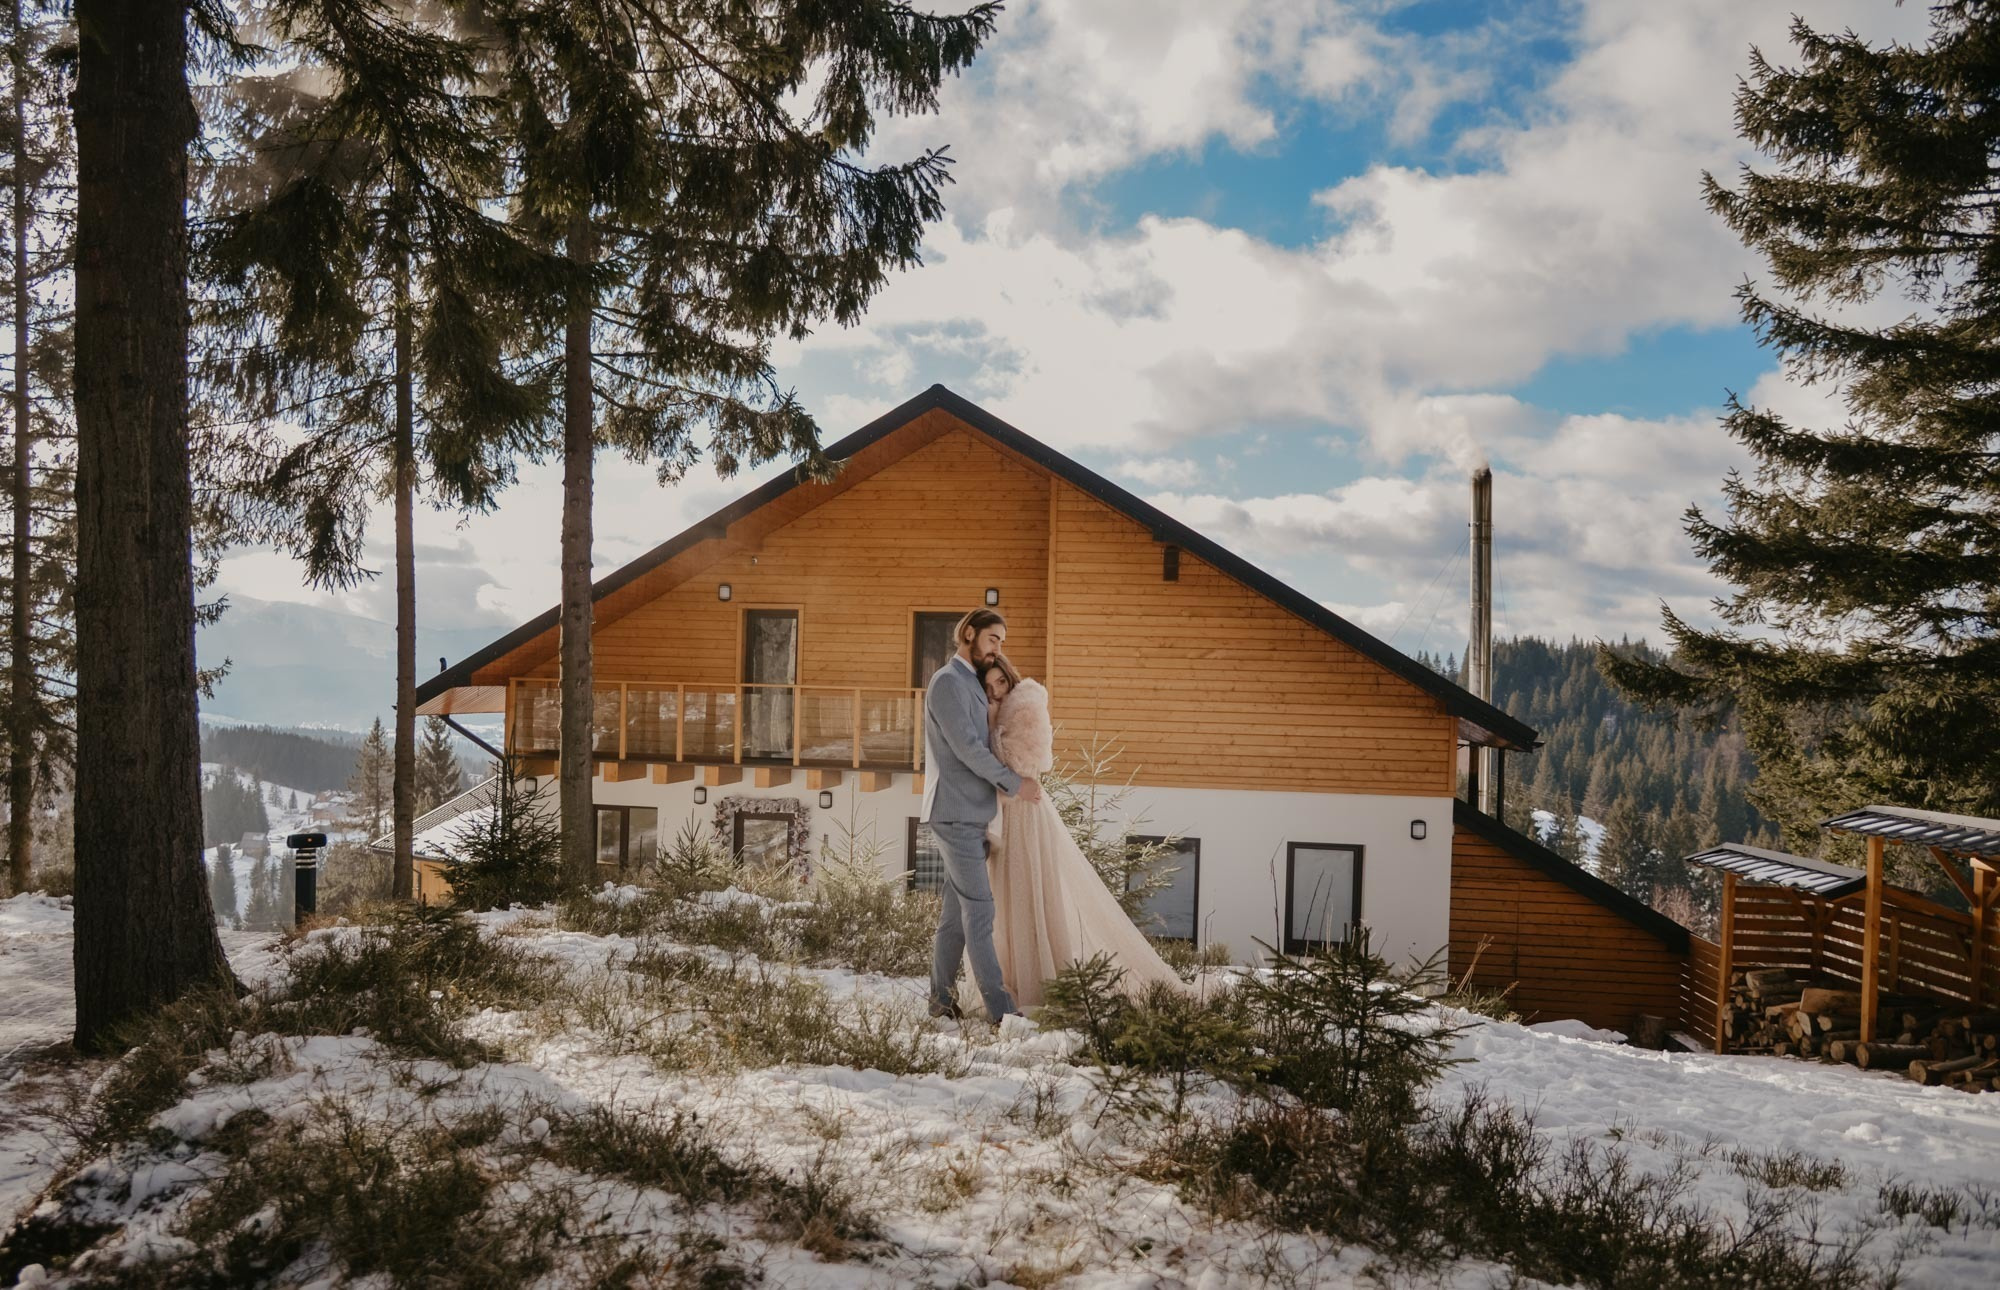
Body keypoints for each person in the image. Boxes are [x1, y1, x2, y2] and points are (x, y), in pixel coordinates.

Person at [977, 653, 1188, 1008]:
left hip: (1026, 816)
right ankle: (1008, 978)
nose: (995, 691)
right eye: (987, 686)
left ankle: (1041, 982)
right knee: (1004, 899)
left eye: (1000, 682)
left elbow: (1026, 764)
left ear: (1010, 680)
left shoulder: (1026, 706)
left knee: (1031, 894)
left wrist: (994, 724)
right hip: (1003, 815)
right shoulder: (989, 712)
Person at [922, 608, 1041, 1020]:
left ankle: (940, 1002)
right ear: (968, 633)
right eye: (993, 639)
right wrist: (1015, 783)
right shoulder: (947, 684)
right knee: (981, 911)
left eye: (1001, 643)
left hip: (972, 814)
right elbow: (969, 750)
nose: (997, 649)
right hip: (955, 814)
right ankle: (1001, 1011)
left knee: (955, 918)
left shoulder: (969, 683)